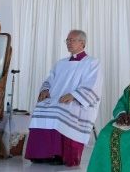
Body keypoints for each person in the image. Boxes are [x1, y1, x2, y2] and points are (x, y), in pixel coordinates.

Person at [24, 30, 102, 166]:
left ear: (82, 43)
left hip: (78, 102)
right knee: (40, 108)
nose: (68, 43)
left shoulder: (92, 62)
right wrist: (45, 89)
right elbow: (50, 79)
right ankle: (41, 154)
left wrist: (74, 95)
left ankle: (59, 155)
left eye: (72, 40)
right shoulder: (61, 63)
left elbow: (93, 84)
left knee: (59, 111)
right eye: (67, 40)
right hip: (56, 98)